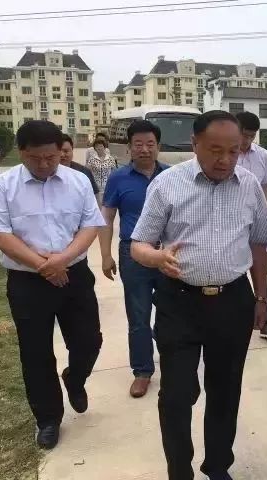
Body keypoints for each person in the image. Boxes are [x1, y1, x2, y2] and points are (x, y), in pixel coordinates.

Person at [130, 110, 267, 480]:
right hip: (180, 302)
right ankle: (180, 470)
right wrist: (157, 258)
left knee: (225, 391)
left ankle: (218, 466)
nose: (225, 160)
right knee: (176, 395)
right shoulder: (167, 184)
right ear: (195, 145)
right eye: (215, 150)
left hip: (232, 301)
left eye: (234, 151)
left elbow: (259, 244)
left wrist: (261, 298)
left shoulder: (249, 186)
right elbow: (138, 244)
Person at [0, 120, 104, 449]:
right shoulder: (3, 186)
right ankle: (48, 418)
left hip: (74, 275)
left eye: (51, 157)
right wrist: (44, 266)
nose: (45, 164)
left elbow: (90, 226)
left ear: (60, 151)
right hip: (27, 281)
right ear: (21, 152)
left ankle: (75, 377)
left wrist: (62, 260)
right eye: (35, 158)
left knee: (89, 340)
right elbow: (0, 235)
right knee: (35, 352)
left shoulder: (77, 181)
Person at [98, 120, 169, 398]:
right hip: (132, 254)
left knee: (171, 312)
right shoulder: (118, 178)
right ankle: (142, 371)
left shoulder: (172, 175)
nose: (144, 149)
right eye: (138, 144)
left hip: (166, 253)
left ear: (158, 146)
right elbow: (107, 217)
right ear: (129, 147)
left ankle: (173, 360)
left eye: (150, 144)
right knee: (138, 315)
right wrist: (105, 255)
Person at [235, 111, 267, 339]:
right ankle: (238, 319)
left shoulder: (263, 156)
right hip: (231, 223)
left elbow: (266, 187)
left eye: (252, 136)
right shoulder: (227, 154)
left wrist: (265, 218)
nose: (247, 140)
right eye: (244, 135)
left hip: (255, 222)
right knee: (234, 270)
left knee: (262, 270)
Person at [59, 134, 100, 202]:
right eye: (58, 151)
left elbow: (95, 197)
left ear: (72, 151)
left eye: (66, 151)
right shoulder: (46, 174)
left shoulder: (84, 172)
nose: (62, 155)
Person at [86, 138, 118, 205]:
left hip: (108, 186)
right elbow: (87, 172)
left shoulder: (110, 159)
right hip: (96, 187)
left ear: (104, 147)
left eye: (101, 146)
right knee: (97, 205)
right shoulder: (92, 159)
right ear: (94, 148)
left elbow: (114, 173)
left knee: (107, 205)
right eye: (97, 146)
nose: (99, 148)